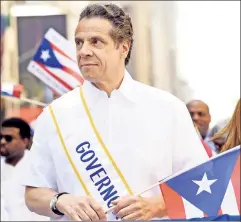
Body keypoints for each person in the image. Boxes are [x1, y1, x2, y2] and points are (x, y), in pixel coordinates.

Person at [23, 3, 208, 221]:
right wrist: (61, 201)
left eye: (96, 42)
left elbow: (202, 184)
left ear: (124, 47)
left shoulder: (168, 109)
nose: (83, 51)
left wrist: (157, 206)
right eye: (79, 42)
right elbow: (33, 194)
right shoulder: (54, 115)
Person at [1, 117, 48, 221]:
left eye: (8, 138)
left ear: (25, 141)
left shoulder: (38, 166)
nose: (3, 141)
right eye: (1, 137)